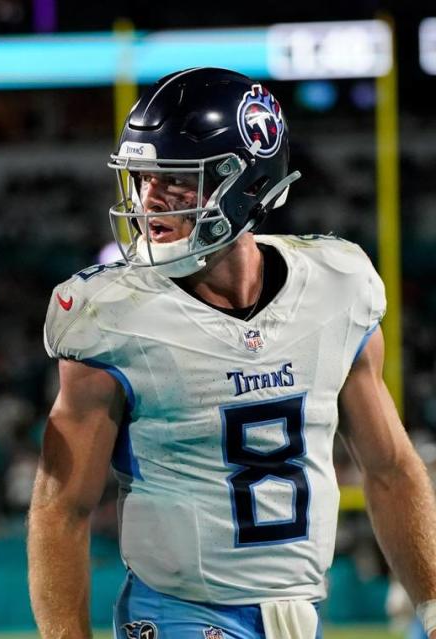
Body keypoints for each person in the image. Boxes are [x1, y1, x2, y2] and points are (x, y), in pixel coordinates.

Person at [27, 67, 436, 639]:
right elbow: (60, 508)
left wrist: (433, 605)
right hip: (178, 613)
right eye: (143, 178)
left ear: (245, 180)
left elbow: (391, 469)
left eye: (175, 180)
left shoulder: (337, 287)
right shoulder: (110, 315)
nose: (149, 200)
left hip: (299, 615)